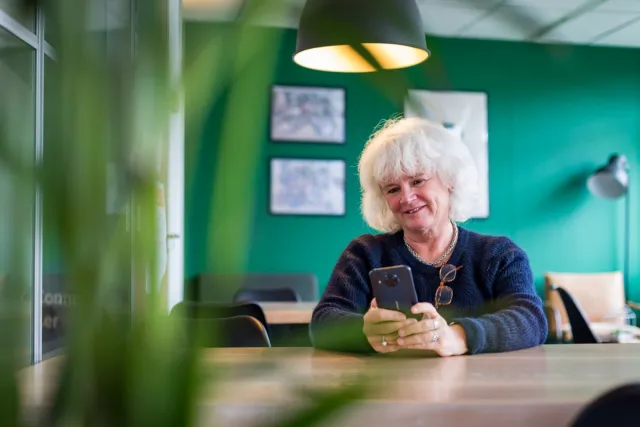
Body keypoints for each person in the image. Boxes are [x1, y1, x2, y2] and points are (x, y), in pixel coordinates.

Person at [309, 116, 548, 356]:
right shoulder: (364, 253)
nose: (406, 197)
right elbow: (323, 322)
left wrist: (457, 337)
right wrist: (363, 331)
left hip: (477, 389)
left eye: (417, 181)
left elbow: (531, 319)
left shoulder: (499, 255)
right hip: (389, 390)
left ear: (450, 181)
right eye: (392, 189)